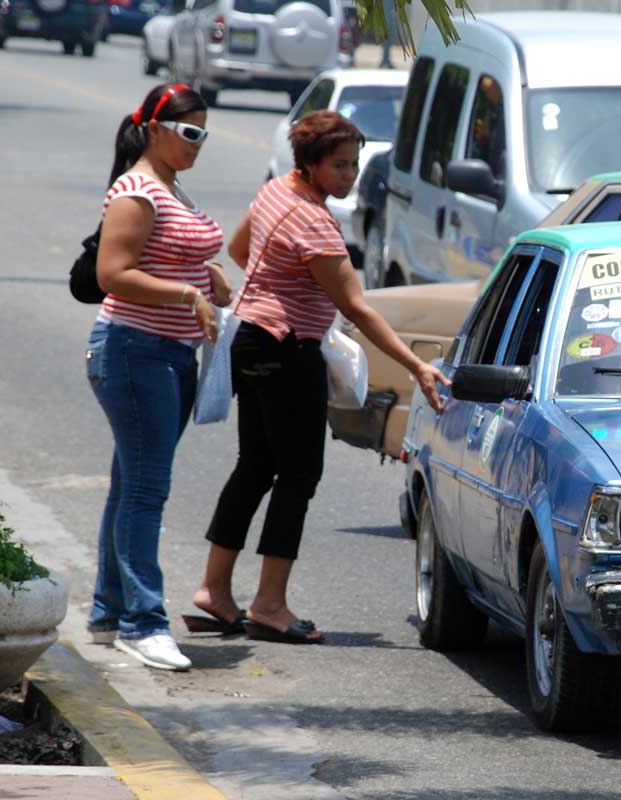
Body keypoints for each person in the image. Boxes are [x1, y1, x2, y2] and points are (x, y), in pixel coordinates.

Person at [189, 110, 448, 644]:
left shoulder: (275, 192)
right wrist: (416, 365)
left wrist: (281, 287)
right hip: (288, 351)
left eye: (354, 165)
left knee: (256, 466)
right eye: (338, 166)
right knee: (298, 476)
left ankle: (214, 591)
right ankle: (269, 604)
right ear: (308, 164)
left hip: (251, 340)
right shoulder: (313, 220)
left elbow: (240, 252)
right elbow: (358, 308)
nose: (348, 176)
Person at [86, 83, 231, 671]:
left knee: (130, 484)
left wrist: (210, 272)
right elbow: (112, 273)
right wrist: (187, 291)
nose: (199, 142)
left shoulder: (171, 185)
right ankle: (142, 623)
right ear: (156, 129)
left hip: (170, 354)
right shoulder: (137, 191)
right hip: (133, 351)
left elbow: (173, 250)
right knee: (147, 490)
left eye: (205, 132)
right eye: (190, 131)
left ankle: (107, 610)